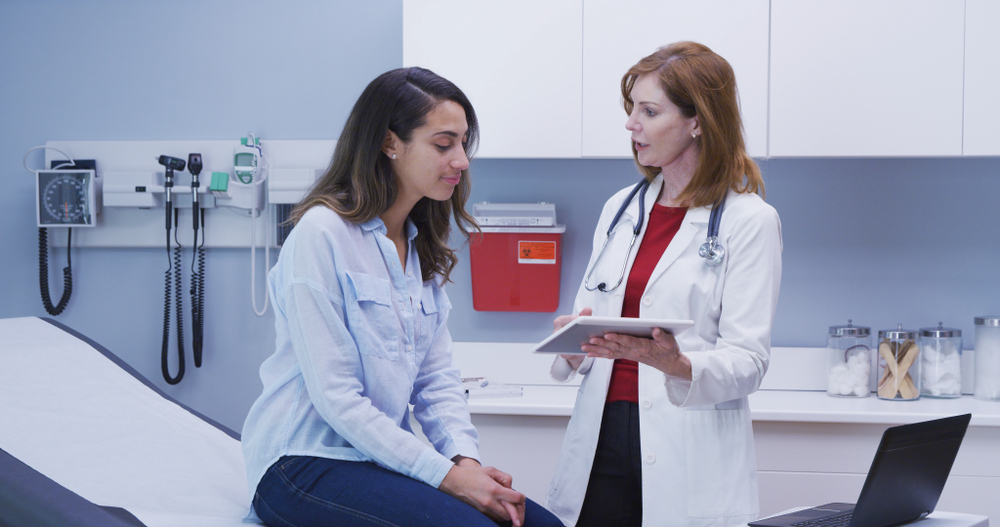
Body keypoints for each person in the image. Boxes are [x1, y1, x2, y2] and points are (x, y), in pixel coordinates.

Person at [241, 67, 564, 527]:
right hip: (303, 463)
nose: (461, 160)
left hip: (377, 460)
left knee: (538, 525)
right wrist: (448, 481)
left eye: (463, 144)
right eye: (443, 144)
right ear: (391, 143)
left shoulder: (417, 247)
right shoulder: (322, 234)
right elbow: (338, 398)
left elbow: (436, 382)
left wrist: (464, 464)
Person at [544, 42, 783, 527]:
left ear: (698, 121)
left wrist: (679, 364)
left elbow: (750, 361)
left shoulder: (749, 221)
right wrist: (572, 346)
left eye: (650, 111)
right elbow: (592, 320)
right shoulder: (619, 210)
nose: (632, 124)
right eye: (632, 109)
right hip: (601, 440)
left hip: (686, 445)